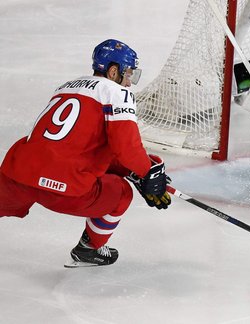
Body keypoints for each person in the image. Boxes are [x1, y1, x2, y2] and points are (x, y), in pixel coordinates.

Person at [0, 39, 171, 267]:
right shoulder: (116, 92)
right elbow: (126, 148)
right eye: (129, 73)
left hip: (18, 175)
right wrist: (147, 171)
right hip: (64, 188)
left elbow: (78, 145)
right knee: (121, 194)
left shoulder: (65, 87)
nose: (130, 82)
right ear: (113, 71)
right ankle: (89, 248)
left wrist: (137, 169)